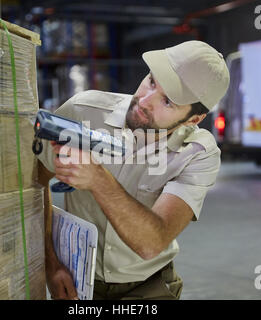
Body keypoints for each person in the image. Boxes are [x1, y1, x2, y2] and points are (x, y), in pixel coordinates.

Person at [36, 40, 230, 300]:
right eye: (151, 81)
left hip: (150, 288)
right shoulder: (82, 110)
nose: (146, 101)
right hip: (77, 282)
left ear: (194, 119)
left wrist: (98, 178)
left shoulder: (197, 154)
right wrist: (51, 263)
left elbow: (152, 243)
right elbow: (34, 183)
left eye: (168, 102)